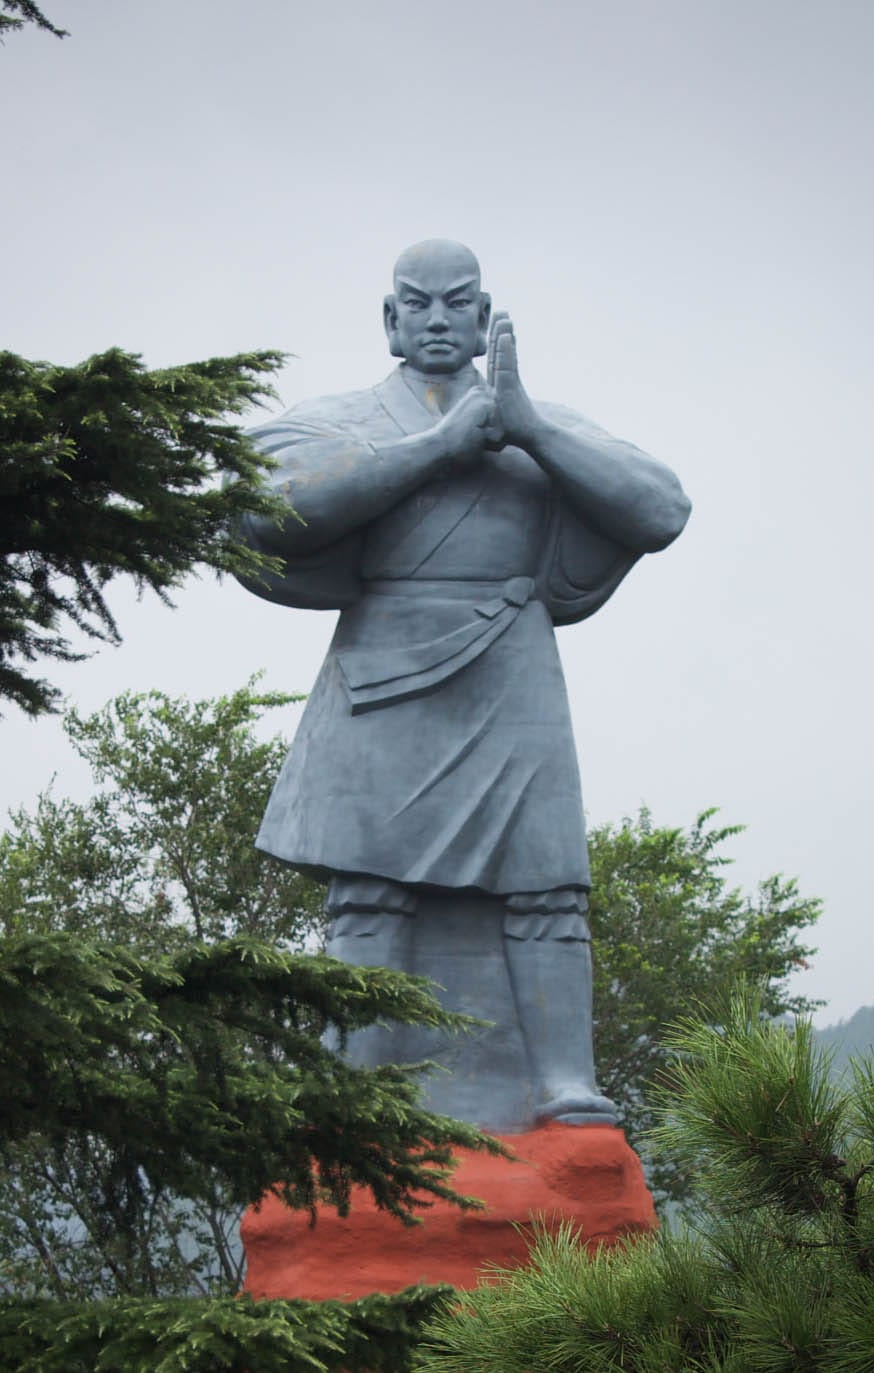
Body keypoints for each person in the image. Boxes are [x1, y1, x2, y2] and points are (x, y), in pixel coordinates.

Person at [240, 240, 689, 1125]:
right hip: (382, 666)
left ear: (485, 319)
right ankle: (365, 1087)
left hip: (511, 663)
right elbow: (267, 508)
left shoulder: (536, 426)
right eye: (420, 303)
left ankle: (562, 1082)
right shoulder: (342, 422)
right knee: (369, 888)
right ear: (390, 318)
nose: (439, 319)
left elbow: (661, 508)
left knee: (548, 887)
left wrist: (530, 429)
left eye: (458, 304)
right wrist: (442, 446)